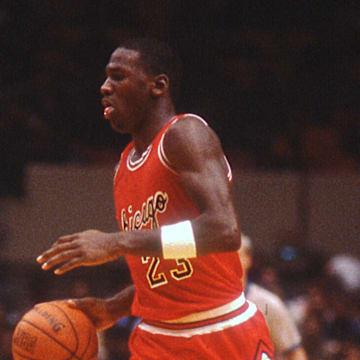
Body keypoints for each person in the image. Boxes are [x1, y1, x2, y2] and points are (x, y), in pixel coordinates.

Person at [36, 38, 274, 359]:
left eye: (118, 76)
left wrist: (118, 242)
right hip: (157, 339)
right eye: (106, 78)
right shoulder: (124, 167)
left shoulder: (185, 135)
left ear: (158, 85)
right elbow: (167, 268)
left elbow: (223, 232)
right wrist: (114, 308)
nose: (105, 87)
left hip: (220, 330)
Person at [238, 234, 307, 360]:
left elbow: (294, 352)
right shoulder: (208, 303)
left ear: (248, 259)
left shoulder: (268, 304)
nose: (229, 262)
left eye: (236, 255)